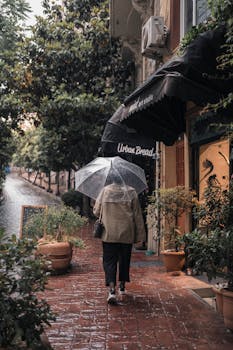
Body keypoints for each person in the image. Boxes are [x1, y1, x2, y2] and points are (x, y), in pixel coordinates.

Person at [93, 174, 146, 305]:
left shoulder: (105, 191)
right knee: (124, 260)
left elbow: (96, 211)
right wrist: (141, 236)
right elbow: (137, 215)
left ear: (111, 179)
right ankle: (122, 287)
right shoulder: (132, 191)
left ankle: (111, 290)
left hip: (109, 233)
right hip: (126, 233)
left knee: (109, 261)